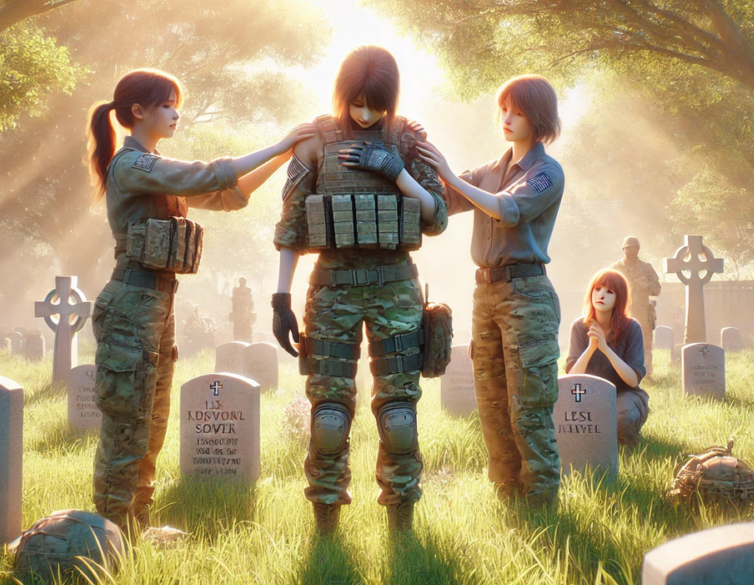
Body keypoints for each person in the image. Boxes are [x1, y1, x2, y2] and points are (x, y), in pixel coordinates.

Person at [86, 68, 316, 533]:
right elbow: (207, 174)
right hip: (131, 303)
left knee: (152, 421)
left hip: (157, 304)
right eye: (168, 105)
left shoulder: (155, 169)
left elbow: (229, 196)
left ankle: (135, 527)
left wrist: (286, 154)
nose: (175, 115)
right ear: (138, 111)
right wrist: (277, 143)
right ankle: (106, 537)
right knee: (126, 426)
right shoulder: (134, 166)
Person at [271, 46, 447, 534]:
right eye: (356, 103)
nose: (365, 114)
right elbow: (291, 228)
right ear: (342, 94)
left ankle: (401, 526)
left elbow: (437, 216)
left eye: (376, 104)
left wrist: (394, 170)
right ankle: (325, 526)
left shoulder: (407, 140)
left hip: (395, 290)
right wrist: (281, 299)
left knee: (399, 418)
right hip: (331, 293)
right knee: (328, 418)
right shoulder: (314, 141)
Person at [416, 74, 564, 507]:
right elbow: (444, 198)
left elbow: (508, 209)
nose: (506, 117)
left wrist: (448, 174)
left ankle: (540, 503)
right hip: (486, 295)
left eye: (516, 110)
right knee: (492, 404)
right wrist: (414, 161)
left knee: (529, 406)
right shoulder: (489, 171)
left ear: (537, 117)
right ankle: (506, 497)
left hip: (527, 297)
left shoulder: (546, 172)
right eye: (503, 108)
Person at [565, 269, 649, 447]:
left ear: (619, 298)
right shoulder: (579, 327)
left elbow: (633, 380)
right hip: (587, 394)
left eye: (610, 291)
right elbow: (572, 378)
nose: (602, 295)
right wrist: (591, 348)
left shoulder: (632, 328)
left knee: (620, 415)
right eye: (598, 289)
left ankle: (623, 442)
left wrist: (605, 348)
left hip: (625, 395)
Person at [609, 236, 661, 372]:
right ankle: (620, 372)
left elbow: (657, 289)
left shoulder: (646, 268)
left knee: (646, 345)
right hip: (621, 312)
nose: (632, 250)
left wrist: (646, 286)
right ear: (624, 249)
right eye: (629, 247)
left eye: (635, 247)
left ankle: (647, 373)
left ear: (638, 249)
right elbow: (606, 288)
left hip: (643, 313)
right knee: (618, 343)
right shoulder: (615, 268)